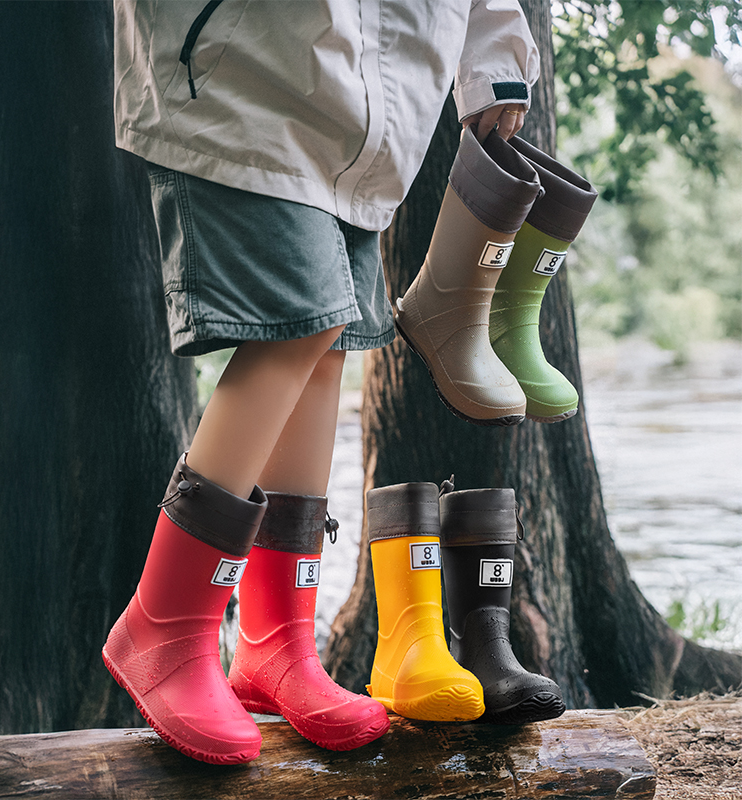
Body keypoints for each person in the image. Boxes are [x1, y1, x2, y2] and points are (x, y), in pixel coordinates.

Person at [104, 0, 540, 765]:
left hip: (374, 105)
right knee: (298, 326)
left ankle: (277, 643)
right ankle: (166, 624)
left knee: (327, 338)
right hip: (247, 74)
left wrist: (494, 53)